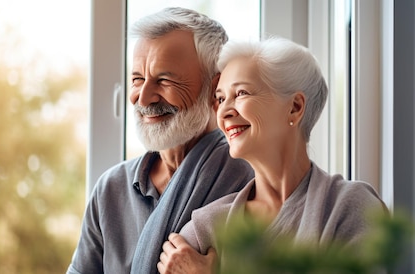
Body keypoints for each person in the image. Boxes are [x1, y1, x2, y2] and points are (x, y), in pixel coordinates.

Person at [156, 37, 388, 273]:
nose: (224, 111)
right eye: (221, 98)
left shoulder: (350, 206)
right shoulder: (207, 226)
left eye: (242, 93)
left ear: (295, 107)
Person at [67, 7, 254, 274]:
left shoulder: (252, 183)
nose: (143, 99)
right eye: (137, 79)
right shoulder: (111, 189)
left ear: (216, 90)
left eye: (164, 80)